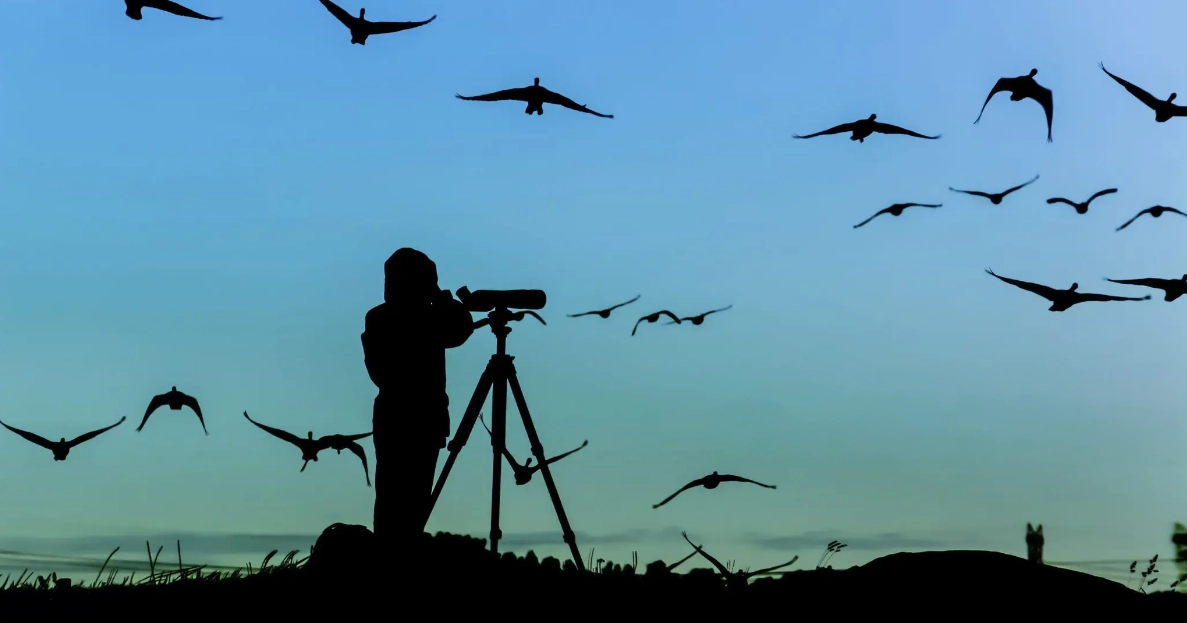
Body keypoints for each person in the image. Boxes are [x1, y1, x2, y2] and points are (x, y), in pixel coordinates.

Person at [362, 248, 474, 550]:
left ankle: (392, 556)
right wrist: (442, 298)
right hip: (421, 420)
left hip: (398, 420)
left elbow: (459, 330)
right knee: (407, 502)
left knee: (392, 501)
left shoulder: (379, 318)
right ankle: (399, 557)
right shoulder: (428, 318)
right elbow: (462, 330)